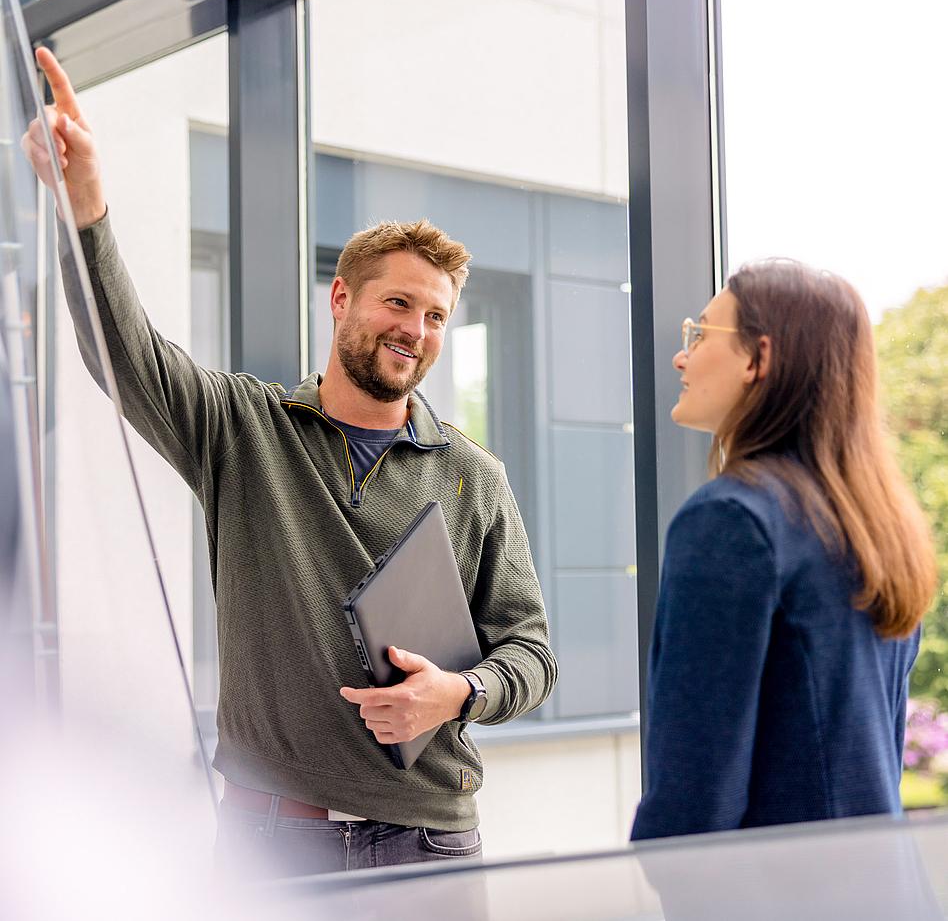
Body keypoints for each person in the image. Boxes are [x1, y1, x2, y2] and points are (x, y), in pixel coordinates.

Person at [22, 47, 557, 876]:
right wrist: (85, 211)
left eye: (436, 315)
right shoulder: (243, 429)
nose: (415, 329)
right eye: (398, 302)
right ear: (341, 298)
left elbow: (530, 652)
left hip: (433, 842)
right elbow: (122, 354)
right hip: (274, 840)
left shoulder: (471, 475)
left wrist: (458, 693)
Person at [631, 259, 936, 841]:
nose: (681, 356)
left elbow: (695, 790)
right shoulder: (877, 526)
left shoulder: (729, 518)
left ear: (759, 358)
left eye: (700, 334)